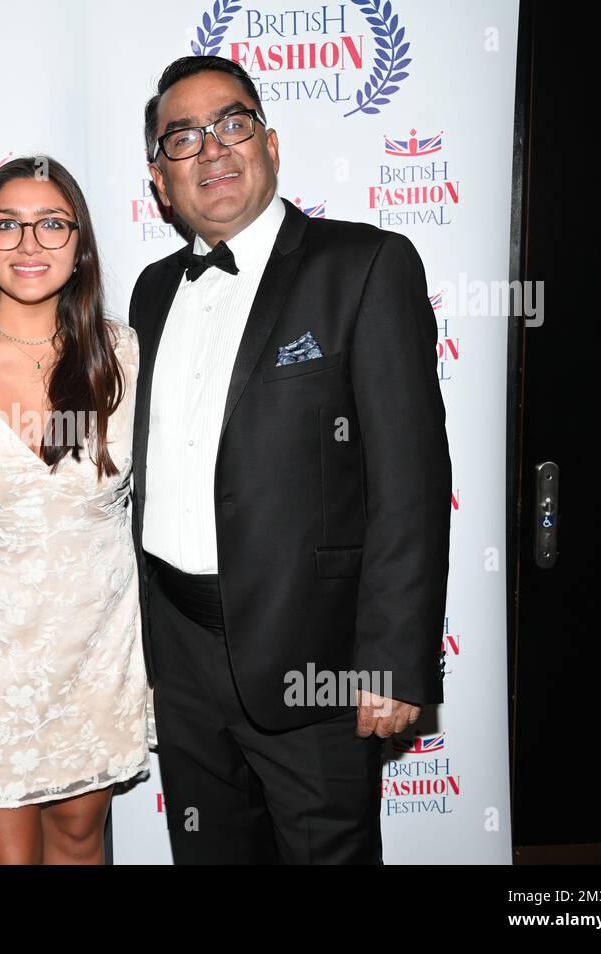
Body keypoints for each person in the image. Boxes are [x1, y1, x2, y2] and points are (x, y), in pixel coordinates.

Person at [129, 56, 452, 864]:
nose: (212, 149)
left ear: (270, 143)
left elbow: (411, 482)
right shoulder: (150, 292)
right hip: (180, 653)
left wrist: (395, 660)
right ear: (161, 180)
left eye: (231, 123)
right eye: (183, 137)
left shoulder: (367, 266)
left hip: (318, 660)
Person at [0, 156, 155, 864]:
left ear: (79, 246)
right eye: (7, 226)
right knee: (8, 855)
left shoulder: (126, 356)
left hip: (99, 640)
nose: (29, 244)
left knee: (80, 839)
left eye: (51, 225)